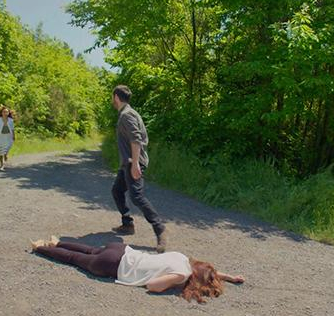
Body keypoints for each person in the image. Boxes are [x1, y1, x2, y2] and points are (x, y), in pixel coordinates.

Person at [30, 236, 245, 303]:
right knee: (74, 259)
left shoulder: (183, 258)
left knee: (89, 249)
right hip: (114, 265)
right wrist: (172, 282)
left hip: (122, 250)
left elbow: (207, 271)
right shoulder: (182, 274)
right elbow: (152, 286)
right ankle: (40, 248)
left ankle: (57, 242)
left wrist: (230, 277)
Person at [110, 85, 169, 252]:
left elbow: (135, 139)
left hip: (132, 161)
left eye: (112, 97)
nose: (112, 100)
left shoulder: (127, 115)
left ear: (116, 97)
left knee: (136, 197)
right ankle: (127, 224)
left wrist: (135, 163)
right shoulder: (129, 113)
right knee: (117, 190)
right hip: (127, 162)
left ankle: (160, 228)